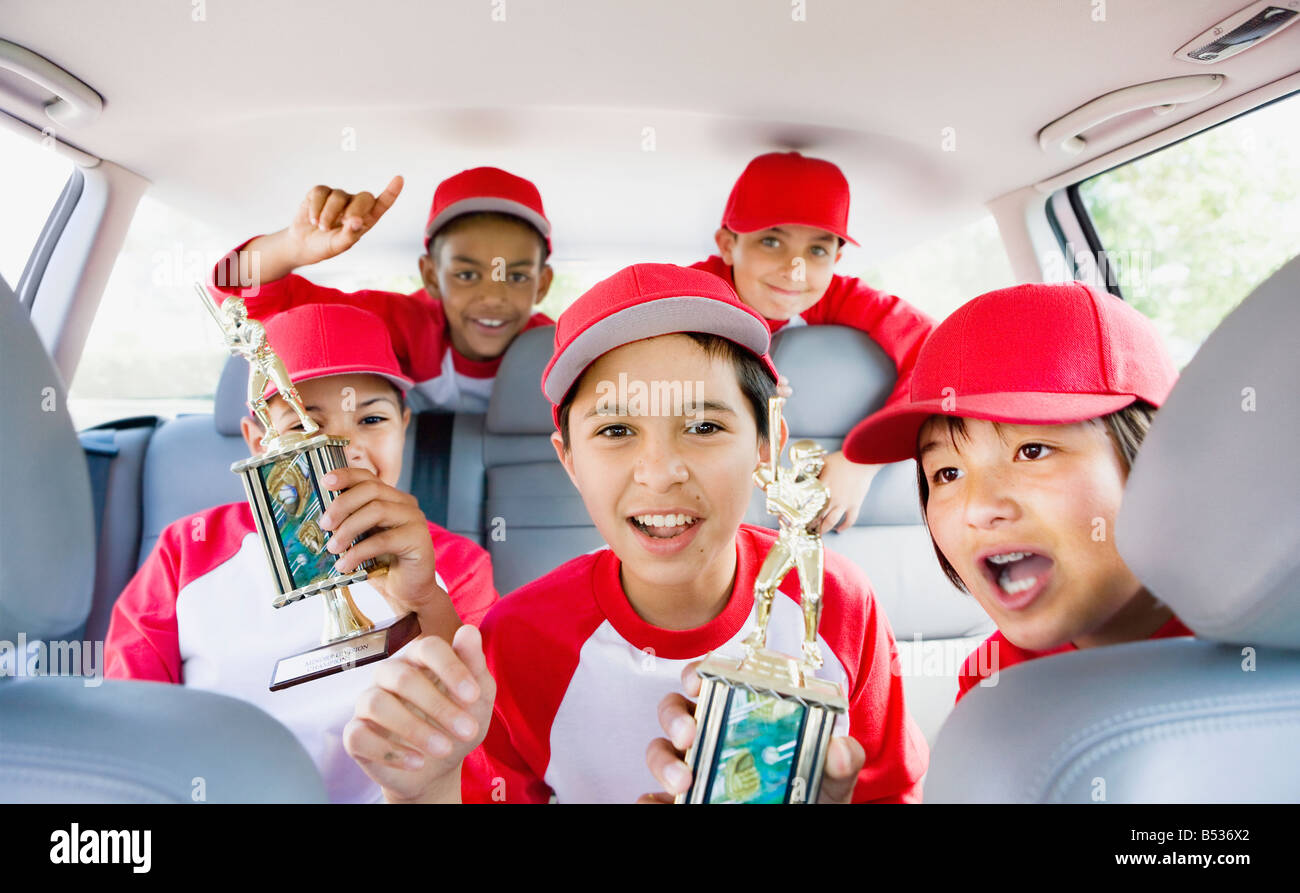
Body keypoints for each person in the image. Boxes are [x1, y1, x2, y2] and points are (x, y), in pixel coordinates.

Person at [341, 263, 928, 803]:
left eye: (703, 425)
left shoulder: (839, 606)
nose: (660, 473)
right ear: (568, 460)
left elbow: (893, 791)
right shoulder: (515, 644)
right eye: (617, 430)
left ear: (767, 443)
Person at [104, 303, 499, 801]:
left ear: (404, 427)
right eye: (300, 428)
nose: (340, 450)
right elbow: (130, 719)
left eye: (371, 419)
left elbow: (481, 737)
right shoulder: (186, 551)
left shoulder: (456, 565)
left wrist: (422, 602)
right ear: (255, 445)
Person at [838, 281, 1192, 702]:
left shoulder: (1267, 642)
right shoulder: (995, 688)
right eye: (947, 473)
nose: (980, 507)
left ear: (1157, 458)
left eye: (1032, 451)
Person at [691, 151, 937, 533]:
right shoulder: (691, 292)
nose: (794, 270)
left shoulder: (839, 297)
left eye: (817, 250)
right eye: (771, 241)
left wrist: (861, 461)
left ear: (837, 257)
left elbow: (939, 355)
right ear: (727, 245)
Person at [208, 166, 555, 411]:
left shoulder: (555, 350)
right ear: (431, 277)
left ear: (542, 285)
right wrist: (289, 247)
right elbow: (245, 307)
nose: (493, 297)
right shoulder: (402, 325)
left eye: (517, 277)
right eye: (466, 275)